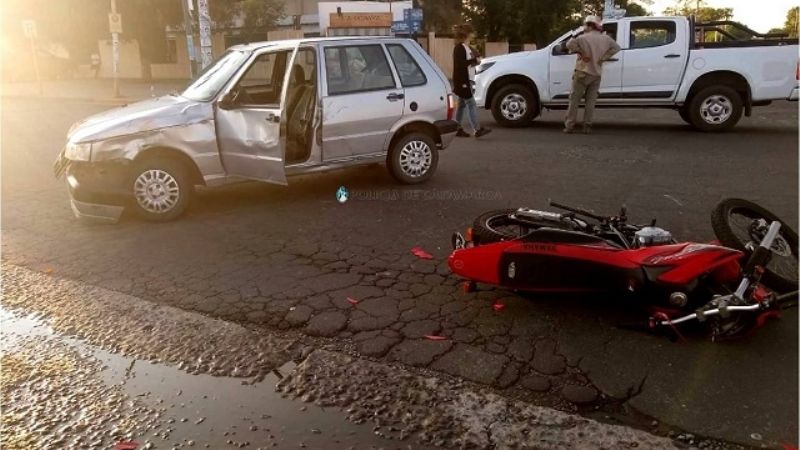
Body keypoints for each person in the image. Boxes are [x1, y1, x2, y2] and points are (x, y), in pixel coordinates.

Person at [564, 16, 621, 134]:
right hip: (596, 74)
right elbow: (616, 48)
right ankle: (587, 127)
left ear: (590, 25)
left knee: (574, 100)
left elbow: (569, 45)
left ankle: (569, 126)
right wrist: (603, 58)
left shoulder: (582, 37)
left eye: (585, 25)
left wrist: (581, 52)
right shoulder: (606, 39)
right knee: (590, 102)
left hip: (582, 72)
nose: (585, 27)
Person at [452, 24, 491, 138]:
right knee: (471, 104)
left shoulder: (465, 47)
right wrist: (474, 60)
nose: (473, 34)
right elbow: (461, 64)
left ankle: (456, 128)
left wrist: (475, 61)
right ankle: (477, 129)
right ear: (467, 34)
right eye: (472, 32)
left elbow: (466, 63)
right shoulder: (459, 47)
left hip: (466, 79)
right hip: (463, 80)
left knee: (461, 105)